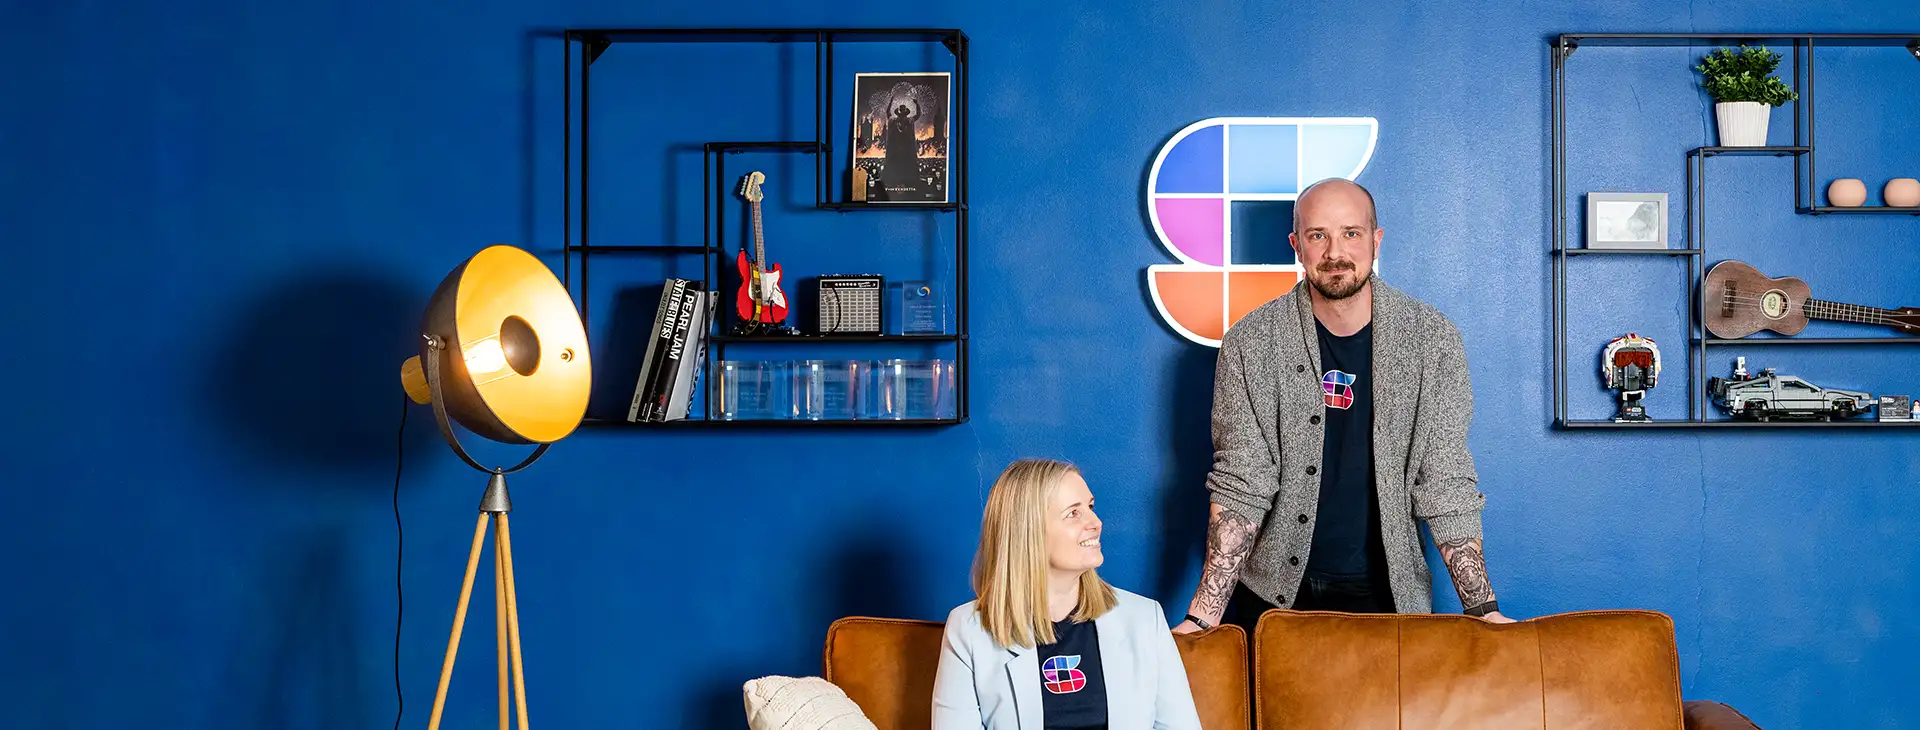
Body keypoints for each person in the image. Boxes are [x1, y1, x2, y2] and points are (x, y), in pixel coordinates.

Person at [1171, 178, 1515, 637]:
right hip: (1274, 598)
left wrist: (1482, 609)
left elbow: (1444, 475)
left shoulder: (1432, 339)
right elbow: (1242, 480)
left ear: (1376, 240)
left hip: (1389, 597)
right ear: (1297, 245)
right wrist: (1203, 616)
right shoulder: (1250, 342)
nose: (1336, 251)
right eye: (1318, 235)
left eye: (1351, 233)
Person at [933, 458, 1203, 730]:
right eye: (1073, 513)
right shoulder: (969, 631)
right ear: (1029, 531)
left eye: (1090, 507)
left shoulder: (1145, 619)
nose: (1096, 522)